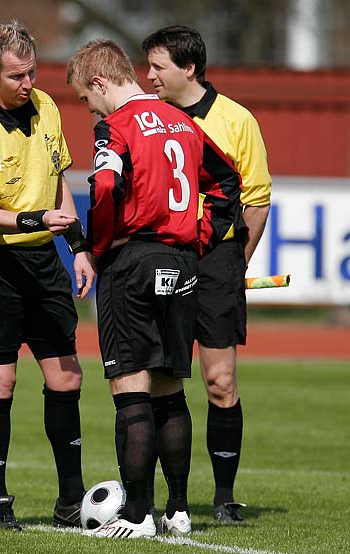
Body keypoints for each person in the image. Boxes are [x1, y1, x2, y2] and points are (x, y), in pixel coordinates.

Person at [66, 39, 243, 539]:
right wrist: (201, 238)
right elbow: (229, 181)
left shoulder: (116, 126)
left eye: (85, 97)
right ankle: (179, 510)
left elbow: (103, 188)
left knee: (130, 387)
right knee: (170, 386)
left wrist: (99, 249)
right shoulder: (184, 121)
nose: (89, 108)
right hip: (182, 262)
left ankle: (138, 515)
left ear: (100, 82)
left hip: (133, 259)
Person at [0, 20, 94, 531]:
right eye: (15, 76)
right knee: (0, 379)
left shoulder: (48, 108)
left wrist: (76, 246)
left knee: (66, 375)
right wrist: (40, 222)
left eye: (31, 72)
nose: (27, 83)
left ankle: (71, 501)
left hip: (43, 260)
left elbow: (58, 183)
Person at [142, 25, 272, 524]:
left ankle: (223, 497)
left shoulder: (237, 119)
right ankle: (166, 498)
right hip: (164, 258)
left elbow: (256, 201)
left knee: (220, 381)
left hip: (217, 261)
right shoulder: (149, 119)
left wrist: (236, 262)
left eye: (158, 67)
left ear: (188, 68)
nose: (149, 75)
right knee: (162, 380)